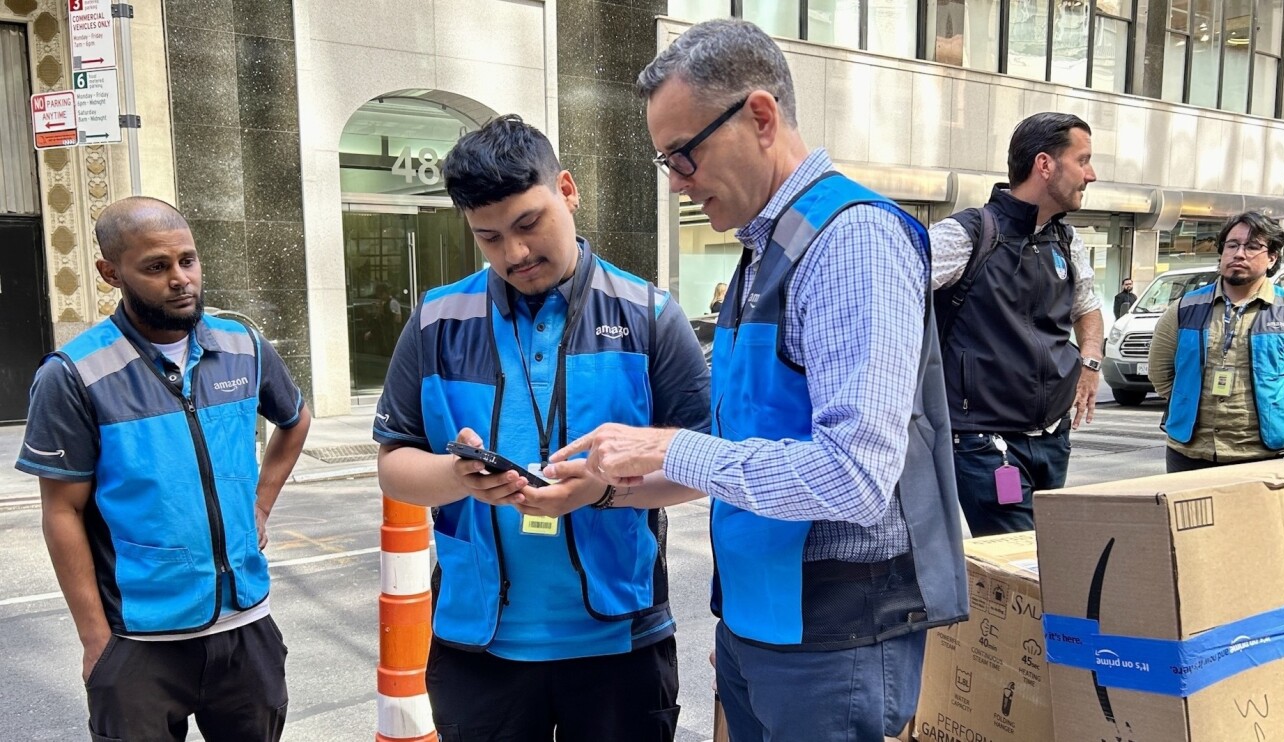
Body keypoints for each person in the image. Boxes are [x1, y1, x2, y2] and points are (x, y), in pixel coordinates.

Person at [548, 19, 967, 741]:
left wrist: (666, 449)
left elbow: (854, 477)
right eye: (665, 162)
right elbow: (744, 452)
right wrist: (604, 488)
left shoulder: (850, 239)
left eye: (683, 155)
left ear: (761, 116)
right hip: (765, 624)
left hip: (835, 641)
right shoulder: (765, 250)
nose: (678, 183)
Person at [372, 114, 710, 742]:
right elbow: (394, 463)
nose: (515, 254)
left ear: (568, 189)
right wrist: (455, 476)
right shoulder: (435, 322)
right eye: (489, 237)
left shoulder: (650, 316)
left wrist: (604, 491)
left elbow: (704, 466)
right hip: (480, 650)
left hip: (620, 643)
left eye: (529, 224)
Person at [15, 196, 310, 741]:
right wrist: (95, 643)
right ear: (111, 273)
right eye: (156, 267)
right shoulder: (74, 374)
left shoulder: (243, 346)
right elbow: (62, 511)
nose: (180, 279)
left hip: (247, 631)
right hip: (139, 643)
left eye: (188, 260)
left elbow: (294, 419)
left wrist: (261, 504)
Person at [928, 112, 1104, 537]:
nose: (1091, 175)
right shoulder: (966, 234)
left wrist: (1091, 363)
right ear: (1045, 165)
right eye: (1083, 160)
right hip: (984, 443)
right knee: (1024, 561)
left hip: (1052, 438)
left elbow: (1088, 308)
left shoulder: (1066, 240)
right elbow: (884, 289)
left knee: (1039, 557)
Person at [1147, 211, 1284, 472]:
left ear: (1272, 257)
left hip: (1263, 454)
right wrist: (1188, 400)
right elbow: (1161, 375)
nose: (1239, 254)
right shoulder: (1184, 308)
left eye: (1252, 247)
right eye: (1232, 245)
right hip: (1189, 452)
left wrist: (1271, 408)